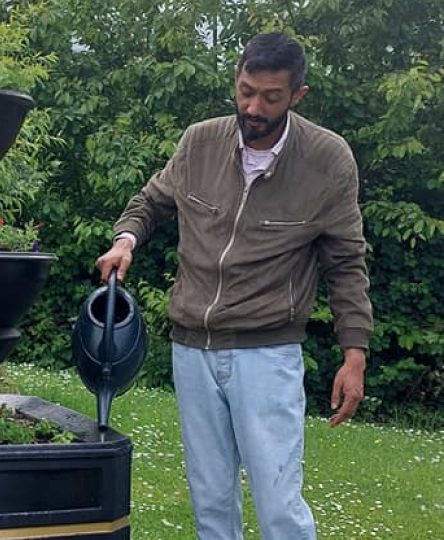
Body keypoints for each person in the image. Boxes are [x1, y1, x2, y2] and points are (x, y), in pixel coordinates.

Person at [95, 32, 372, 540]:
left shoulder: (328, 160)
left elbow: (346, 263)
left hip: (266, 354)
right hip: (190, 349)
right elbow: (151, 201)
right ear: (235, 80)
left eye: (270, 96)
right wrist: (126, 240)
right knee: (210, 500)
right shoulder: (199, 141)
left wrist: (354, 354)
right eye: (245, 91)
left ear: (297, 96)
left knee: (278, 502)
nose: (253, 106)